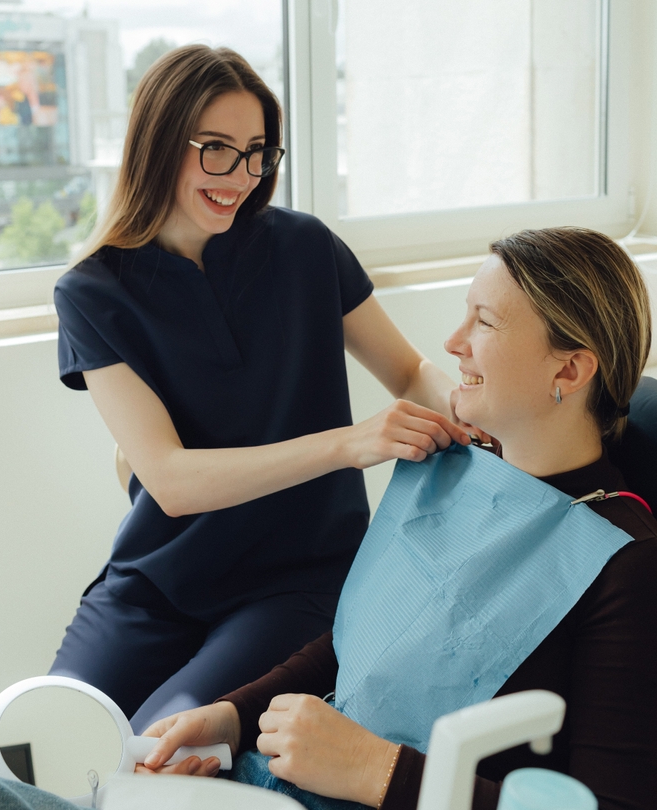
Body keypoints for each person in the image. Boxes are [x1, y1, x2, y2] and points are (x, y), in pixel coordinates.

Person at [129, 227, 657, 810]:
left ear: (569, 371)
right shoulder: (457, 469)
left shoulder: (626, 567)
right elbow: (364, 644)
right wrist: (233, 717)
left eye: (484, 322)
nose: (453, 343)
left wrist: (374, 769)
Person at [50, 44, 475, 733]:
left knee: (149, 751)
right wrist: (348, 444)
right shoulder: (91, 291)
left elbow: (407, 372)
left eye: (256, 152)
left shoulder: (306, 247)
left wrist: (480, 417)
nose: (241, 176)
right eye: (216, 149)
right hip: (154, 582)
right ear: (159, 143)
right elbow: (171, 481)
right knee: (38, 742)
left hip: (295, 581)